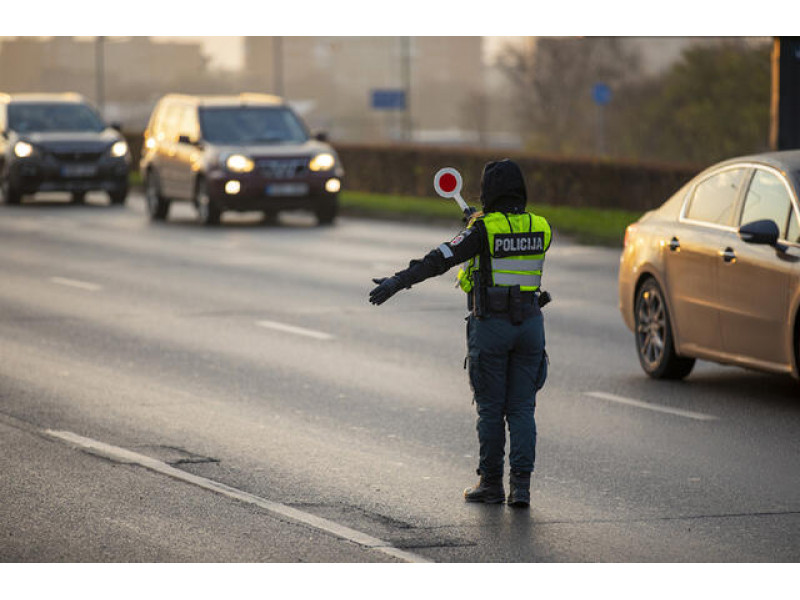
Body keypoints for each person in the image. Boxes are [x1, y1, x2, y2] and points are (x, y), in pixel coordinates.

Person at [369, 159, 550, 507]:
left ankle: (492, 484)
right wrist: (478, 224)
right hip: (530, 325)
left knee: (491, 409)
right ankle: (522, 489)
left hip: (492, 326)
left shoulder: (482, 230)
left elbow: (441, 258)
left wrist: (397, 281)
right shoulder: (542, 227)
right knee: (523, 410)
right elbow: (510, 237)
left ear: (489, 192)